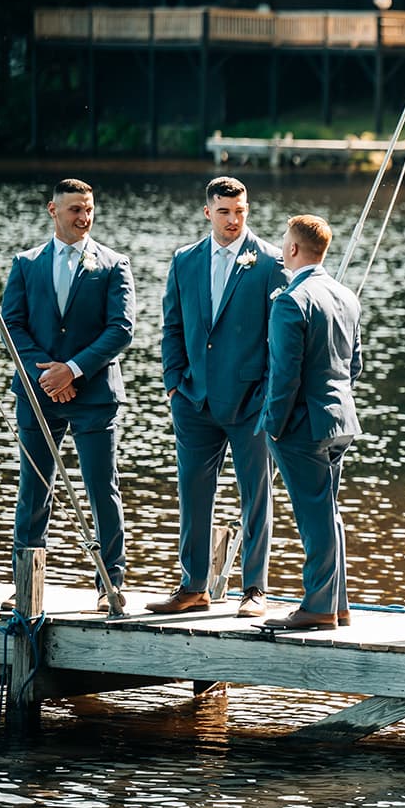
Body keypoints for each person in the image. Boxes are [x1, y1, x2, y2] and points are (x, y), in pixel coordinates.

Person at [149, 177, 288, 618]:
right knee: (192, 494)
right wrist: (174, 382)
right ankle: (193, 585)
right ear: (208, 212)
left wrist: (267, 394)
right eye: (225, 211)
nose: (233, 219)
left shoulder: (269, 262)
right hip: (193, 400)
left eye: (240, 211)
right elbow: (172, 326)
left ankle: (254, 589)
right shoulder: (184, 260)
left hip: (250, 403)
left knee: (256, 495)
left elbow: (279, 338)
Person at [1, 178, 134, 612]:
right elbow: (12, 324)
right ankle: (26, 584)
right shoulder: (25, 263)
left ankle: (109, 583)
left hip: (93, 393)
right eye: (75, 208)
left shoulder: (114, 264)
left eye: (89, 208)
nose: (84, 216)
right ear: (52, 210)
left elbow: (121, 329)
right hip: (39, 392)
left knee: (102, 489)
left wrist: (72, 369)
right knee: (34, 489)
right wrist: (48, 373)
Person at [259, 215, 361, 631]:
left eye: (284, 241)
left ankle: (318, 606)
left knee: (314, 515)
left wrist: (273, 425)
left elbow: (285, 374)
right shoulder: (346, 295)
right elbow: (354, 365)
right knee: (328, 509)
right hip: (340, 421)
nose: (282, 247)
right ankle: (338, 604)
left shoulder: (290, 300)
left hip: (301, 425)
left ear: (294, 249)